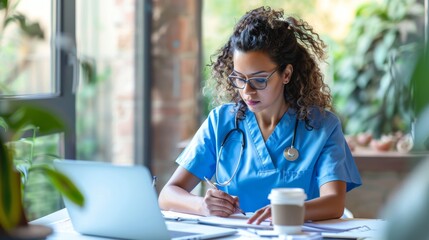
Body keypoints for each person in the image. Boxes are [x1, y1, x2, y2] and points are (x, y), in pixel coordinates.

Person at [158, 6, 361, 224]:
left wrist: (288, 211)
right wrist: (202, 206)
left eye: (259, 79)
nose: (247, 91)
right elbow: (168, 194)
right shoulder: (221, 122)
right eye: (239, 78)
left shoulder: (322, 126)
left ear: (286, 74)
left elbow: (334, 203)